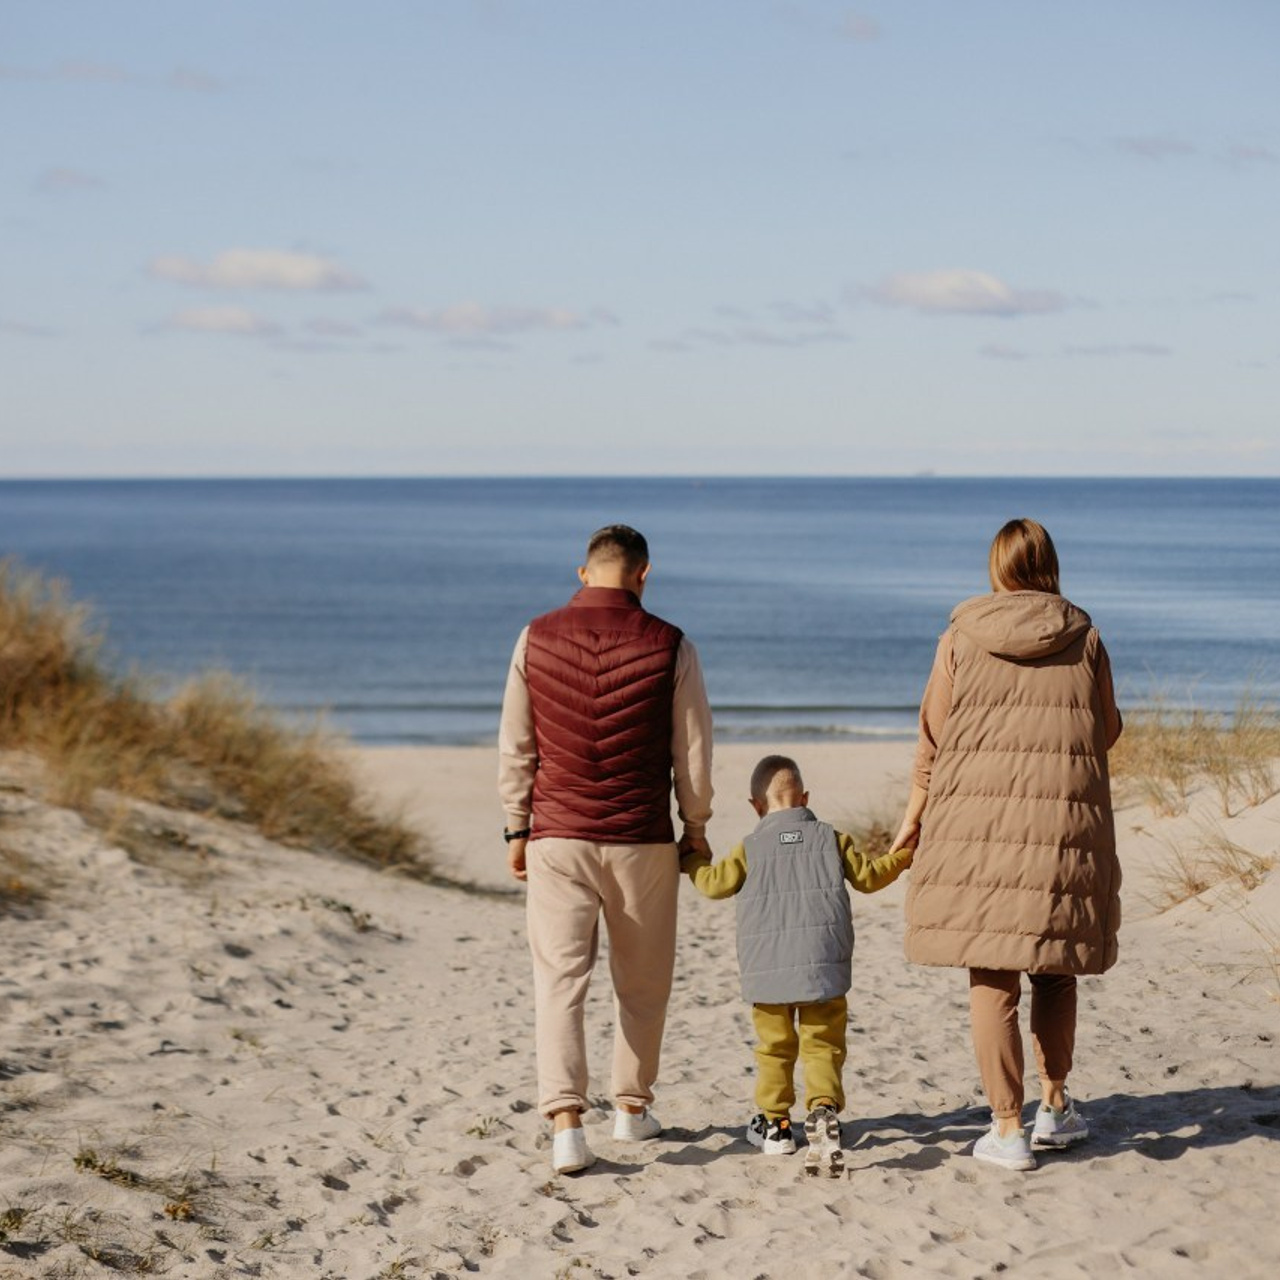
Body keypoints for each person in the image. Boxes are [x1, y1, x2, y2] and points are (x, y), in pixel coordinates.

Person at [893, 518, 1122, 1172]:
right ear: (1048, 566)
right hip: (1059, 830)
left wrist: (912, 820)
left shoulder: (961, 637)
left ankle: (1006, 1127)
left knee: (991, 973)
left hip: (976, 830)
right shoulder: (1085, 638)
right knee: (1053, 966)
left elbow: (932, 740)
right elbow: (1105, 729)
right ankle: (1055, 1105)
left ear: (997, 568)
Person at [498, 524, 714, 1175]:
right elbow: (692, 753)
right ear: (644, 574)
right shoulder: (671, 643)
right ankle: (630, 1108)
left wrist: (516, 827)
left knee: (560, 981)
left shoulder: (535, 636)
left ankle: (566, 1125)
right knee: (643, 983)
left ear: (583, 573)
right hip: (640, 839)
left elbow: (517, 744)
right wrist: (695, 827)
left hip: (557, 835)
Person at [681, 754, 913, 1177]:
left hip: (767, 972)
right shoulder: (832, 839)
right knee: (823, 1044)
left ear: (756, 806)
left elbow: (714, 885)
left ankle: (776, 1127)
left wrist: (691, 860)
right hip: (822, 967)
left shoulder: (749, 848)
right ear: (804, 798)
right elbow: (870, 878)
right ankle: (823, 1108)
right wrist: (902, 856)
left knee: (774, 1049)